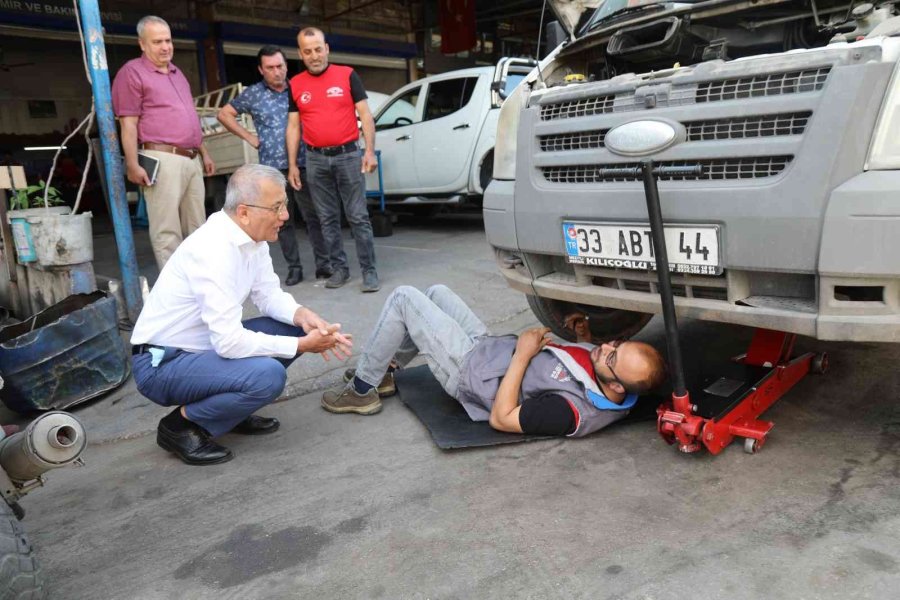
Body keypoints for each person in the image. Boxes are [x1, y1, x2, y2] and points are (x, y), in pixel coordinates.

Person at [131, 164, 353, 466]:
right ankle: (180, 426)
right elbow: (228, 342)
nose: (285, 216)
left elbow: (268, 295)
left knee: (292, 328)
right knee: (268, 375)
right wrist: (302, 346)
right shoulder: (212, 250)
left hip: (201, 350)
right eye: (276, 207)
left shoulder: (252, 239)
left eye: (284, 205)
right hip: (162, 364)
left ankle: (231, 412)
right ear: (244, 212)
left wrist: (303, 316)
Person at [322, 285, 667, 437]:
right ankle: (385, 369)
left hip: (471, 373)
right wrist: (580, 336)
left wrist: (524, 353)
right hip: (490, 349)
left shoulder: (570, 414)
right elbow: (583, 369)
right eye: (617, 344)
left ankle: (362, 389)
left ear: (617, 385)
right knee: (436, 292)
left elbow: (501, 419)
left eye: (612, 356)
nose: (606, 346)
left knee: (404, 299)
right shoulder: (611, 384)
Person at [217, 45, 331, 286]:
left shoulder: (299, 87)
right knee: (281, 220)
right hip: (272, 169)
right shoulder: (253, 94)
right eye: (270, 68)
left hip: (304, 162)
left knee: (314, 216)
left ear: (286, 66)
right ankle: (294, 268)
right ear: (261, 70)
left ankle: (324, 264)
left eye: (280, 66)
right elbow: (224, 114)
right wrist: (249, 137)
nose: (276, 72)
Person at [112, 15, 216, 271]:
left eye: (168, 41)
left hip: (191, 158)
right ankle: (175, 289)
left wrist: (204, 152)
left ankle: (201, 281)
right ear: (142, 44)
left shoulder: (177, 73)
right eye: (157, 42)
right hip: (162, 157)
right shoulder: (132, 73)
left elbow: (190, 116)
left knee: (198, 227)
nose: (165, 47)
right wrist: (132, 164)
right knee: (167, 230)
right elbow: (128, 124)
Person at [286, 27, 381, 293]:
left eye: (318, 49)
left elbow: (365, 114)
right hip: (315, 159)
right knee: (326, 218)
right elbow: (293, 126)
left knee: (358, 216)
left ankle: (369, 271)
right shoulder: (295, 84)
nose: (314, 55)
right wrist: (292, 164)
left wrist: (369, 151)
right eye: (308, 51)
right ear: (300, 54)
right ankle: (340, 269)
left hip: (348, 155)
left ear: (326, 48)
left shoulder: (347, 75)